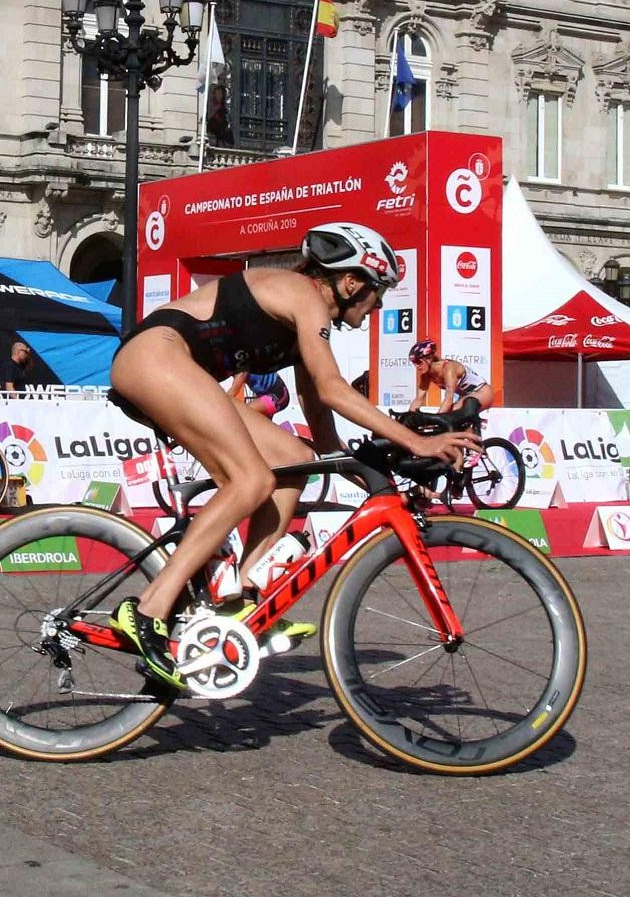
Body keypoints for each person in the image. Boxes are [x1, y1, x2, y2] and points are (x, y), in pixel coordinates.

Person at [105, 223, 475, 684]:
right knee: (250, 481)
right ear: (352, 281)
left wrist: (380, 479)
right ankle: (148, 611)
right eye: (377, 292)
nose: (378, 305)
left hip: (171, 366)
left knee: (289, 460)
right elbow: (335, 388)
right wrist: (416, 441)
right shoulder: (305, 295)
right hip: (155, 357)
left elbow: (323, 437)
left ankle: (240, 600)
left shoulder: (305, 323)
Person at [406, 339, 494, 417]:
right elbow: (418, 400)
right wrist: (408, 419)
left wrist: (436, 420)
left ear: (429, 358)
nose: (417, 366)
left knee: (452, 413)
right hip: (466, 395)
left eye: (418, 362)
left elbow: (448, 398)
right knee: (452, 418)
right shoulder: (425, 375)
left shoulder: (448, 368)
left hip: (482, 392)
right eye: (414, 363)